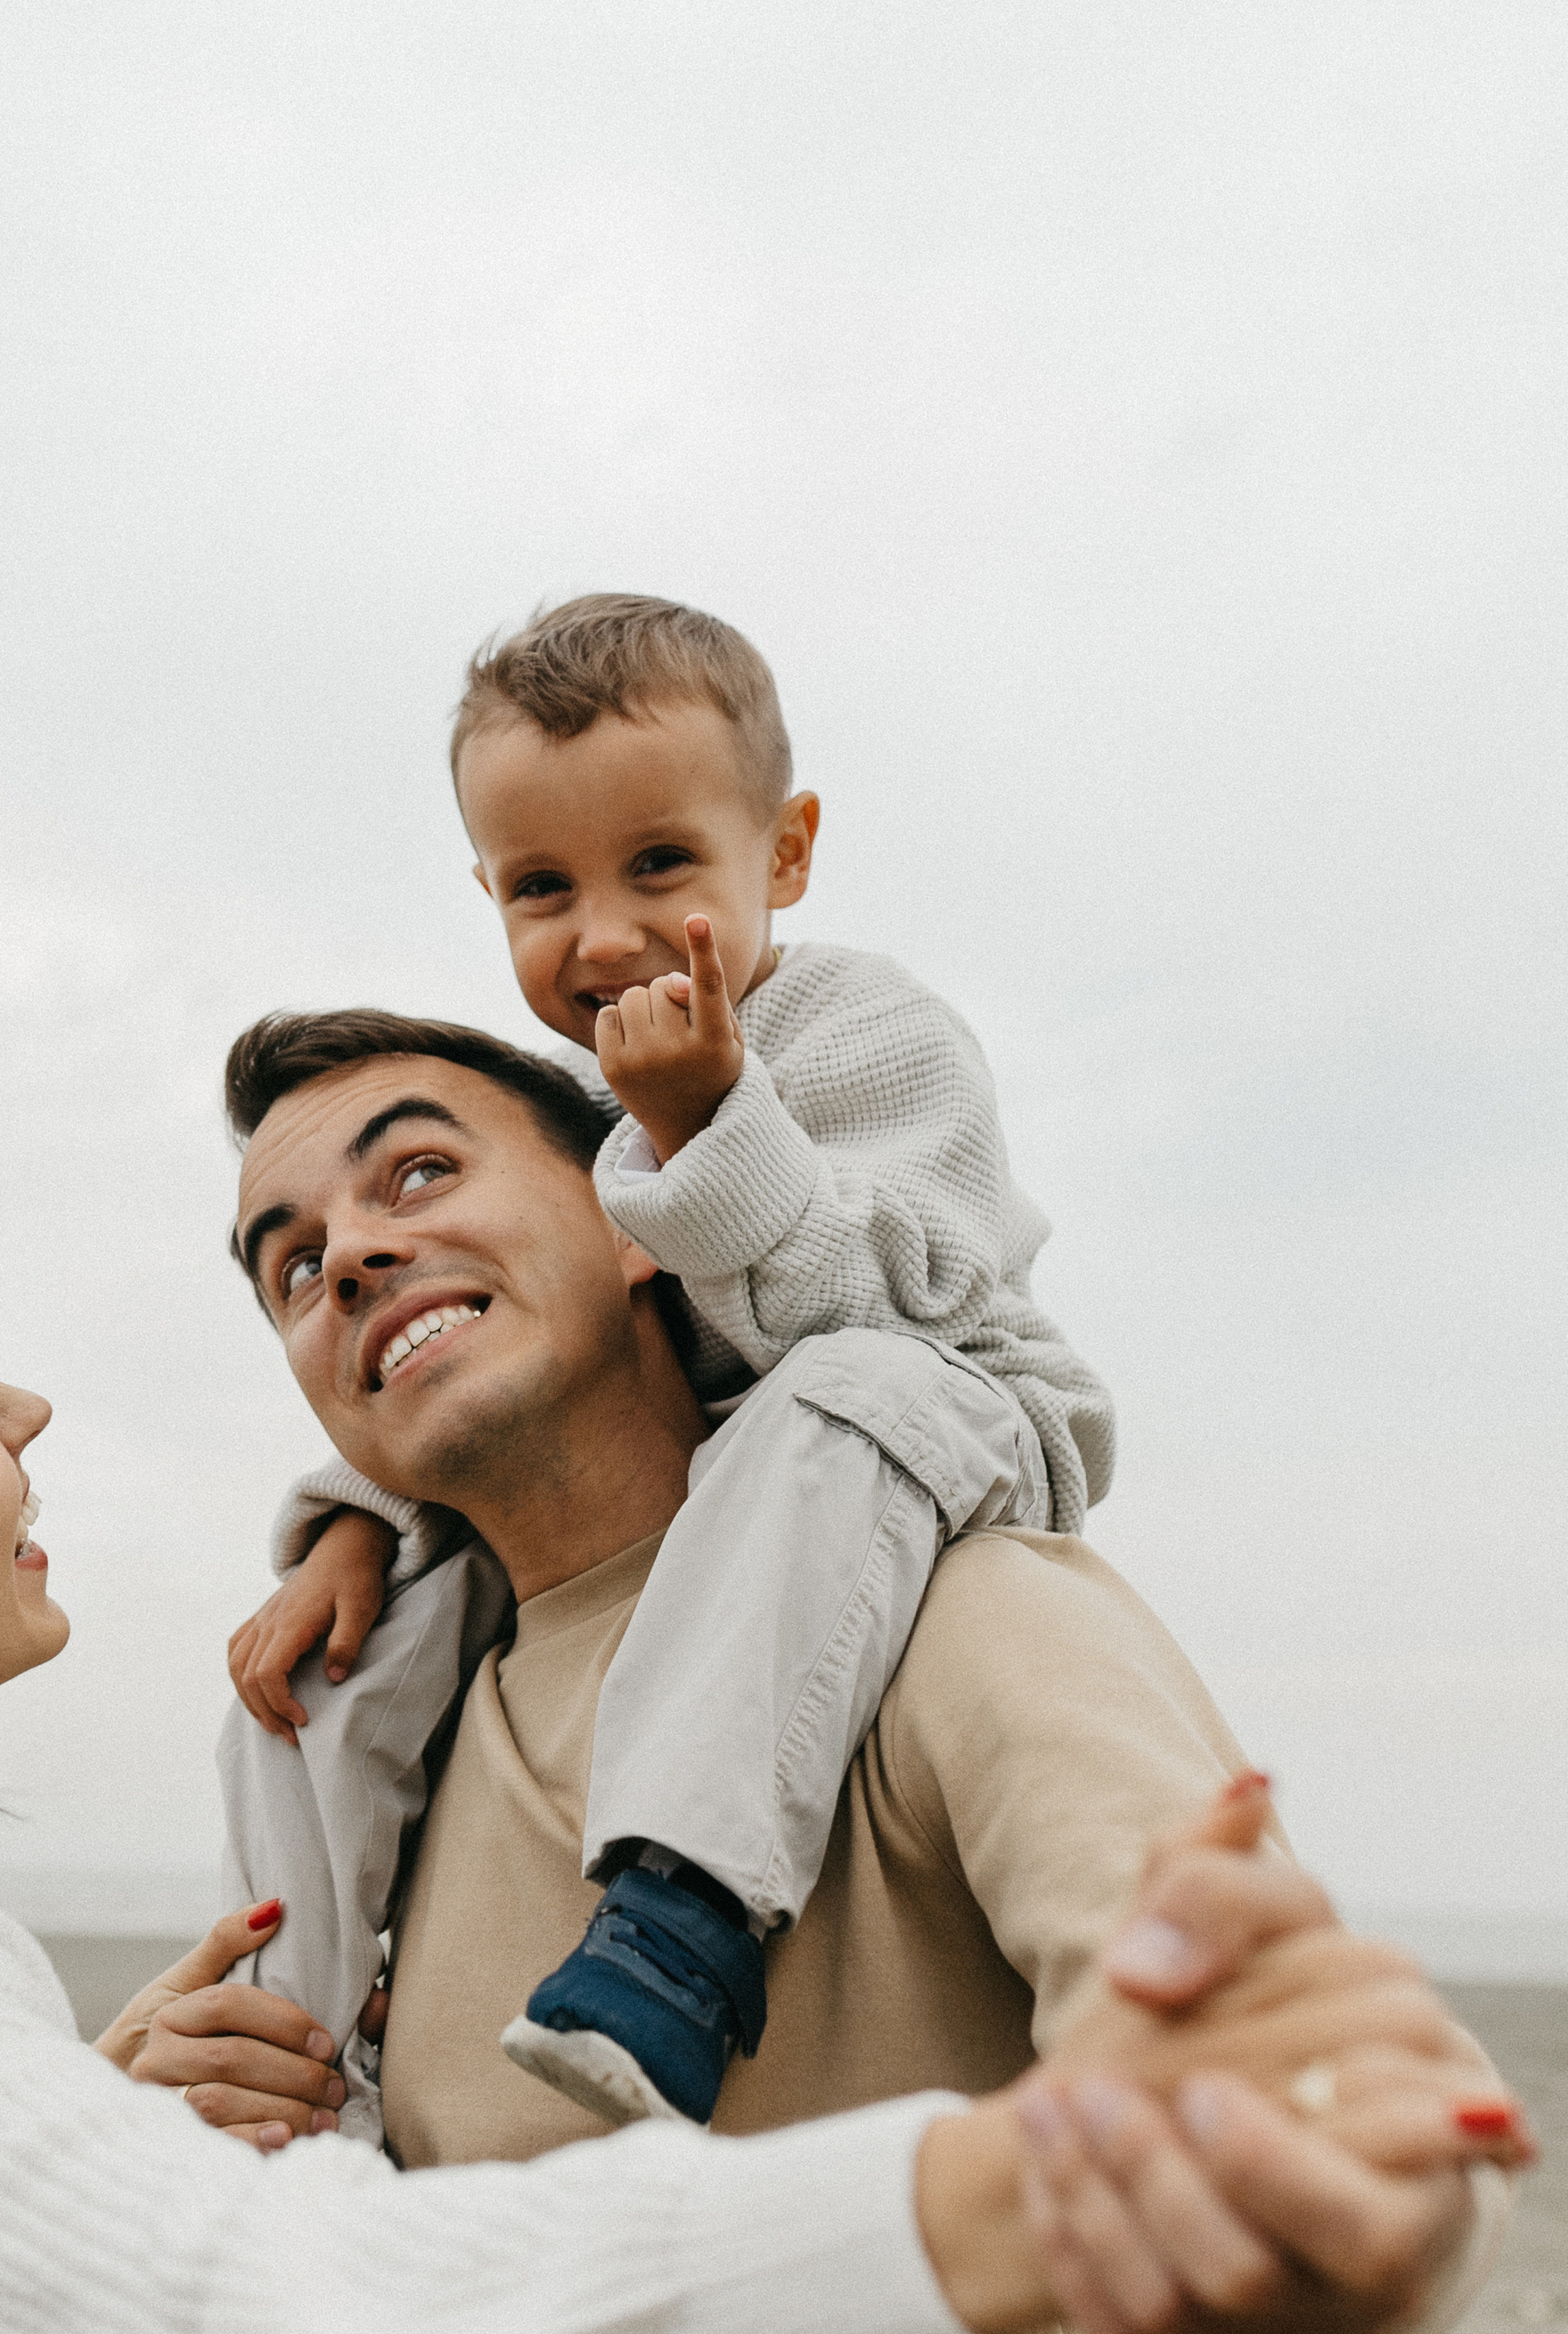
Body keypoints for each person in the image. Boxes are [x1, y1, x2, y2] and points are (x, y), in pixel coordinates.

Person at [218, 1017, 1523, 2334]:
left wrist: (1312, 2212)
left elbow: (1273, 2079)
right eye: (289, 1259)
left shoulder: (952, 1606)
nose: (350, 1261)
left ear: (646, 1215)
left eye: (413, 1176)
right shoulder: (385, 1719)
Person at [225, 593, 1115, 2130]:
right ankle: (298, 2037)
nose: (605, 933)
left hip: (934, 1422)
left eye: (661, 866)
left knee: (824, 1406)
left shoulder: (865, 1032)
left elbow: (896, 1298)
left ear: (782, 852)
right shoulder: (578, 1093)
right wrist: (353, 1523)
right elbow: (518, 1310)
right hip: (727, 1477)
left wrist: (717, 1125)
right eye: (541, 890)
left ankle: (684, 1923)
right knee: (321, 1660)